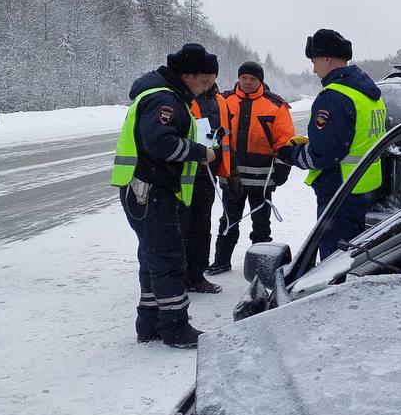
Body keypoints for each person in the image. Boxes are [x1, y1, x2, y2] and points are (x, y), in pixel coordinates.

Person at [111, 43, 218, 347]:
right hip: (151, 189)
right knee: (169, 258)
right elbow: (161, 143)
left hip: (146, 189)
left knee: (153, 257)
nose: (205, 89)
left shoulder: (163, 94)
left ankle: (149, 322)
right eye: (204, 82)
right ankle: (174, 327)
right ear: (189, 75)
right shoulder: (164, 99)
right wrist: (201, 153)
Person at [276, 28, 387, 259]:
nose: (314, 69)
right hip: (364, 185)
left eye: (314, 61)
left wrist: (292, 154)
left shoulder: (334, 97)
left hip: (340, 188)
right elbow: (355, 139)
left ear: (327, 58)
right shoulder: (368, 94)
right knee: (355, 255)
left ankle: (334, 293)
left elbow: (323, 154)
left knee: (334, 260)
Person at [207, 61, 294, 274]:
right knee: (228, 221)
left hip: (262, 179)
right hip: (231, 175)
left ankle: (262, 265)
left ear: (260, 81)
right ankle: (221, 260)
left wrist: (283, 167)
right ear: (238, 78)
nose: (247, 82)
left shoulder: (276, 105)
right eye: (244, 77)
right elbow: (211, 134)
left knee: (261, 225)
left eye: (252, 79)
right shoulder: (223, 101)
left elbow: (286, 140)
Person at [184, 69, 232, 293]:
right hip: (184, 171)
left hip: (208, 172)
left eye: (211, 75)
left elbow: (225, 135)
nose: (207, 80)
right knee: (180, 226)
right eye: (203, 75)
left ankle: (195, 275)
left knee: (201, 226)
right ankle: (176, 274)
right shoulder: (183, 98)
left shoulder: (221, 100)